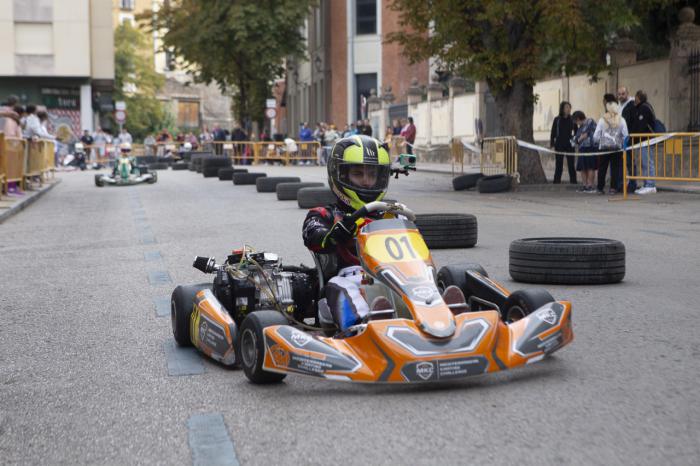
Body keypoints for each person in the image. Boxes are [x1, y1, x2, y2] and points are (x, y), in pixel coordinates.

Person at [302, 135, 394, 331]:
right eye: (358, 174)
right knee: (341, 285)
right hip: (346, 280)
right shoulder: (323, 214)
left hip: (392, 277)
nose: (367, 182)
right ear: (341, 176)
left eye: (372, 174)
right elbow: (314, 236)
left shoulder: (391, 215)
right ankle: (365, 325)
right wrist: (336, 234)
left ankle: (441, 311)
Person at [593, 94, 628, 195]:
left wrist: (598, 142)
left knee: (602, 168)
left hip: (603, 148)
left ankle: (600, 188)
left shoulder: (602, 120)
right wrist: (623, 146)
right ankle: (613, 188)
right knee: (615, 168)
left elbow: (596, 136)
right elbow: (626, 135)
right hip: (617, 148)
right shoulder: (622, 120)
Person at [631, 90, 658, 195]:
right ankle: (647, 183)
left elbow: (641, 125)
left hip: (646, 139)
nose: (634, 99)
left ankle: (650, 185)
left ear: (639, 98)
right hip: (643, 140)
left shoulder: (644, 108)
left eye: (635, 97)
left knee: (647, 162)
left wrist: (636, 136)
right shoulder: (642, 107)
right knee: (644, 163)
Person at [550, 101, 577, 184]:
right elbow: (553, 132)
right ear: (562, 109)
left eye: (569, 107)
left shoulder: (573, 119)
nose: (568, 109)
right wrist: (552, 143)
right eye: (566, 107)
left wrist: (575, 141)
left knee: (571, 164)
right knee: (559, 164)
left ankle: (573, 182)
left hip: (570, 145)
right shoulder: (557, 119)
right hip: (559, 144)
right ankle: (556, 181)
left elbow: (576, 132)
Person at [617, 86, 638, 192]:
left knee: (629, 162)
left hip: (627, 139)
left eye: (623, 94)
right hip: (619, 139)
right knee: (621, 163)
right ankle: (621, 184)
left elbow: (631, 122)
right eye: (619, 94)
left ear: (627, 93)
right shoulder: (618, 106)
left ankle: (633, 184)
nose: (621, 96)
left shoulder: (631, 105)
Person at [572, 111, 597, 193]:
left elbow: (584, 135)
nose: (576, 123)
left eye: (576, 121)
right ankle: (584, 185)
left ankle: (590, 185)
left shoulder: (590, 121)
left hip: (590, 147)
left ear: (578, 119)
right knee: (582, 167)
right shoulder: (580, 127)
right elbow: (577, 137)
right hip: (582, 148)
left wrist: (579, 139)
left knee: (590, 167)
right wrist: (578, 139)